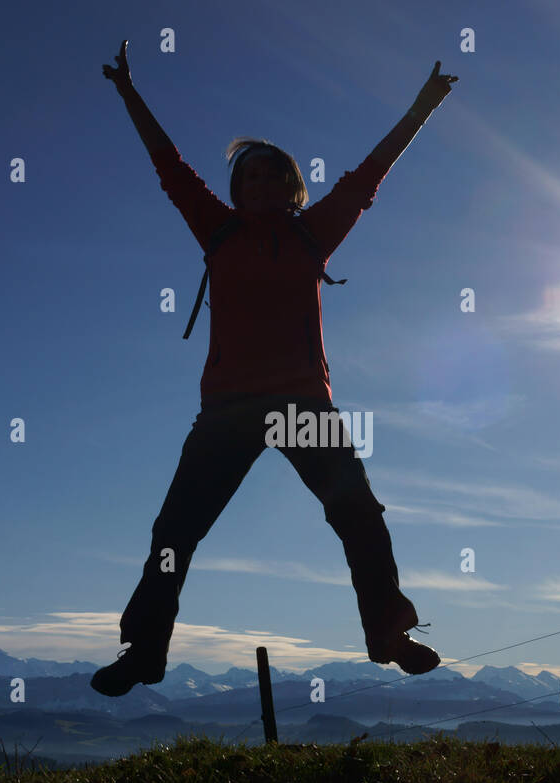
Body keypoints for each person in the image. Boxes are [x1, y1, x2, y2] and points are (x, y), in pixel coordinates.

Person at [92, 40, 457, 697]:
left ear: (292, 189)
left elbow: (371, 173)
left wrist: (422, 106)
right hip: (228, 410)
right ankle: (144, 652)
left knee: (360, 517)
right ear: (235, 192)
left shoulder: (315, 232)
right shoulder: (218, 230)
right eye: (247, 179)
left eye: (271, 177)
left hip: (303, 408)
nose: (258, 185)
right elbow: (168, 165)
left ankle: (388, 635)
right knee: (175, 532)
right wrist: (127, 92)